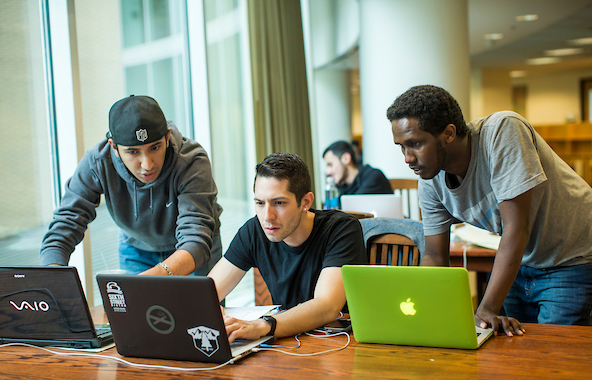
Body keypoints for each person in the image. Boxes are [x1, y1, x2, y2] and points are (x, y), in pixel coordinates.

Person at [386, 84, 592, 334]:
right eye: (401, 146)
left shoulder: (502, 131)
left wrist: (485, 309)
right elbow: (434, 256)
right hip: (521, 263)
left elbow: (516, 229)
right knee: (516, 358)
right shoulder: (430, 179)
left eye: (415, 144)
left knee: (554, 359)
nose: (407, 157)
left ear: (449, 133)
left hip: (573, 258)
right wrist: (425, 310)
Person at [40, 95, 222, 276]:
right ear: (114, 147)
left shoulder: (191, 160)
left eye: (155, 147)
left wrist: (156, 276)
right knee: (137, 305)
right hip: (135, 248)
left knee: (201, 306)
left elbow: (196, 237)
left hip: (192, 250)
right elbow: (67, 221)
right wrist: (53, 273)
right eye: (133, 152)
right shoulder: (98, 162)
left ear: (167, 138)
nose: (147, 165)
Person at [208, 153, 367, 341]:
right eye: (260, 203)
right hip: (288, 343)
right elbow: (206, 292)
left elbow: (327, 306)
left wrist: (264, 325)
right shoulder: (254, 231)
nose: (267, 216)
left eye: (279, 203)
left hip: (340, 343)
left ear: (306, 202)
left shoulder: (340, 229)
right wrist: (205, 307)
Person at [323, 140, 393, 196]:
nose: (328, 172)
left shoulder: (373, 177)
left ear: (346, 158)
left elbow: (354, 209)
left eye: (330, 165)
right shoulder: (342, 186)